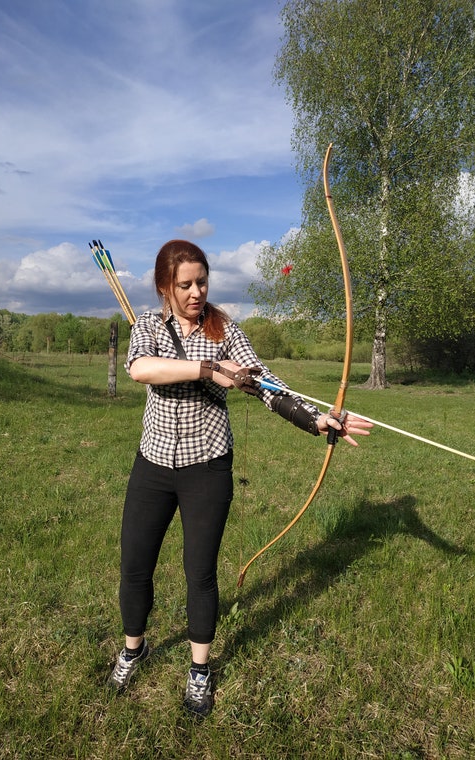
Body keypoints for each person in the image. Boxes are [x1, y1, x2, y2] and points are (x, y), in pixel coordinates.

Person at [108, 239, 372, 717]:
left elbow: (267, 384)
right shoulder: (148, 325)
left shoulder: (225, 329)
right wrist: (211, 369)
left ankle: (200, 670)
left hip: (207, 466)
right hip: (153, 465)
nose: (195, 292)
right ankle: (134, 649)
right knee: (134, 565)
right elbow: (140, 369)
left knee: (200, 573)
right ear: (164, 286)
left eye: (202, 282)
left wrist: (315, 418)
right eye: (184, 284)